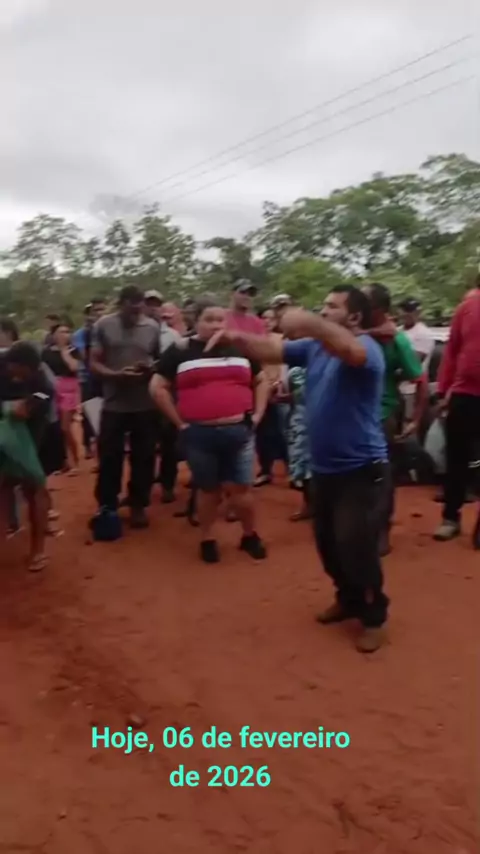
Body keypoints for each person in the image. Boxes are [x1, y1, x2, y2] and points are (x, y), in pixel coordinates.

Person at [207, 285, 389, 653]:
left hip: (361, 469)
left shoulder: (366, 347)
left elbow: (351, 352)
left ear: (354, 316)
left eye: (332, 307)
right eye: (322, 306)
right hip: (326, 469)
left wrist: (308, 322)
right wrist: (234, 336)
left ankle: (373, 617)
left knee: (355, 546)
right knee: (327, 544)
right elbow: (269, 349)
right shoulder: (313, 348)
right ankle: (348, 598)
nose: (323, 311)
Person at [150, 297, 269, 563]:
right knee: (208, 490)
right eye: (209, 319)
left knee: (242, 490)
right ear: (196, 321)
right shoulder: (180, 350)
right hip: (199, 435)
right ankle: (207, 538)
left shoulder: (241, 348)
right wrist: (179, 423)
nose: (216, 325)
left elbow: (261, 380)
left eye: (220, 319)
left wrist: (258, 414)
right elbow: (157, 388)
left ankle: (249, 535)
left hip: (239, 431)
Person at [363, 284, 426, 555]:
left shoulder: (397, 341)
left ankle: (381, 530)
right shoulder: (355, 332)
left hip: (383, 414)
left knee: (382, 474)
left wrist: (416, 419)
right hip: (353, 413)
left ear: (377, 309)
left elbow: (420, 379)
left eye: (364, 301)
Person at [90, 285, 160, 529]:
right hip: (114, 403)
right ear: (121, 304)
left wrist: (149, 369)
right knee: (110, 456)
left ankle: (138, 504)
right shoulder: (103, 325)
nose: (135, 314)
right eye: (131, 309)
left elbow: (158, 359)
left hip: (145, 403)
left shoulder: (152, 326)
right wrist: (116, 375)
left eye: (139, 309)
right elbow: (94, 362)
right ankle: (107, 504)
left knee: (144, 457)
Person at [433, 279, 480, 543]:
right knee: (456, 459)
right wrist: (443, 390)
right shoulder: (468, 307)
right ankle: (451, 517)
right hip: (464, 394)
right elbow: (452, 352)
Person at [0, 341, 51, 571]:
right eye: (22, 372)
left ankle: (38, 550)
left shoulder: (38, 375)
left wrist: (29, 405)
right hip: (2, 427)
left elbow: (45, 393)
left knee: (33, 485)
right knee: (3, 485)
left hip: (30, 429)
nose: (24, 377)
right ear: (12, 364)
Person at [144, 290, 183, 502]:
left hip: (167, 395)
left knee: (169, 443)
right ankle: (143, 486)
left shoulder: (173, 336)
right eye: (148, 304)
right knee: (144, 444)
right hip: (140, 397)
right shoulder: (136, 333)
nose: (153, 308)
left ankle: (168, 485)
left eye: (156, 304)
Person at [253, 307, 288, 486]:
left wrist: (279, 383)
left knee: (284, 431)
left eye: (271, 318)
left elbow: (286, 363)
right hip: (259, 391)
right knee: (262, 433)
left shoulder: (282, 339)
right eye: (264, 318)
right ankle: (265, 470)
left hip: (280, 390)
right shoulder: (253, 341)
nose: (267, 321)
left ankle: (293, 470)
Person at [42, 322, 81, 474]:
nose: (65, 335)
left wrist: (64, 351)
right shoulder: (46, 353)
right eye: (61, 332)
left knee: (65, 427)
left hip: (69, 389)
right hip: (52, 389)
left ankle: (75, 462)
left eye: (67, 332)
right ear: (53, 335)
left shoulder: (73, 350)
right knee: (57, 428)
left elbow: (74, 367)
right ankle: (64, 462)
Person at [72, 298, 106, 459]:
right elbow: (83, 355)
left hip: (109, 378)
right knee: (90, 415)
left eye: (102, 309)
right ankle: (90, 446)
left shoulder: (111, 329)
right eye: (96, 310)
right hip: (88, 379)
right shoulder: (82, 334)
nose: (99, 313)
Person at [286, 366, 312, 521]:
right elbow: (294, 399)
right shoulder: (296, 372)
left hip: (325, 422)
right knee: (302, 465)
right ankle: (309, 505)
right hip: (301, 422)